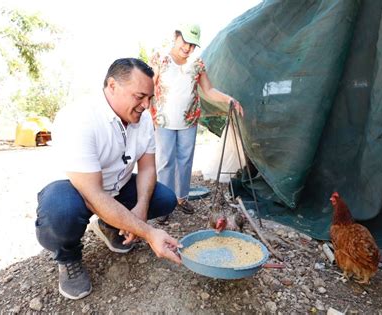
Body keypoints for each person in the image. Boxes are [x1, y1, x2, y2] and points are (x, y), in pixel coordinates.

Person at [35, 58, 181, 300]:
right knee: (60, 213)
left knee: (164, 198)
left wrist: (141, 210)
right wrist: (148, 232)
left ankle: (111, 225)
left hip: (115, 187)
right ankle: (68, 256)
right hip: (74, 192)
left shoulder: (142, 118)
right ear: (112, 86)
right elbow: (92, 194)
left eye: (149, 98)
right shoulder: (79, 117)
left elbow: (146, 169)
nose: (146, 105)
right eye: (139, 96)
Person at [149, 23, 244, 222]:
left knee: (185, 161)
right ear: (176, 36)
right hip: (163, 120)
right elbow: (150, 85)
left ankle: (181, 199)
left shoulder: (197, 64)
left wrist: (230, 99)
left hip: (189, 120)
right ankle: (164, 204)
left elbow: (208, 90)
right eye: (186, 42)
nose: (188, 48)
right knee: (165, 162)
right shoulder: (160, 58)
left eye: (193, 45)